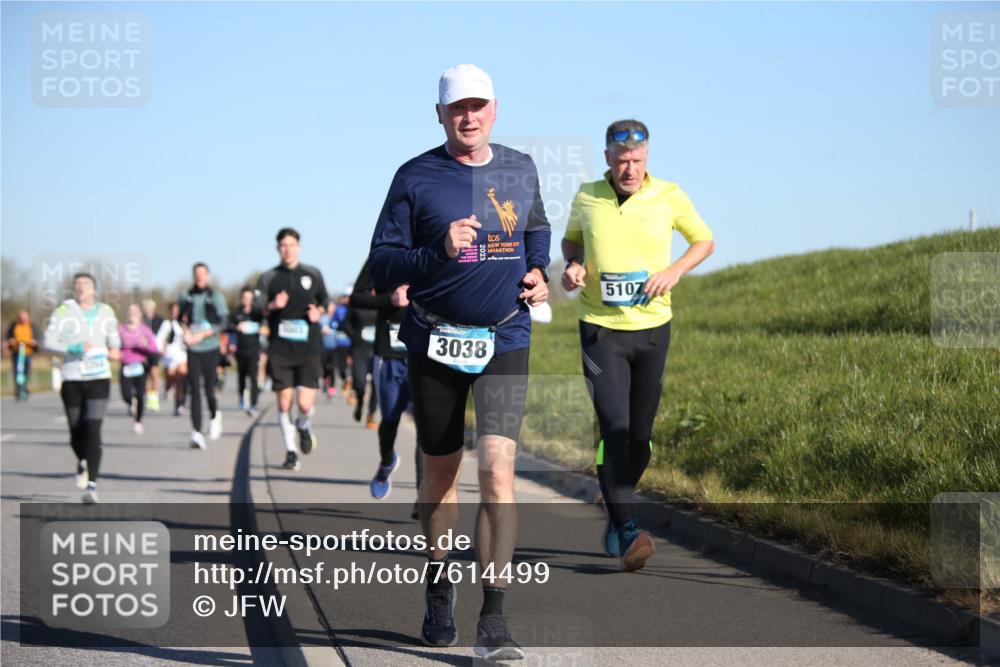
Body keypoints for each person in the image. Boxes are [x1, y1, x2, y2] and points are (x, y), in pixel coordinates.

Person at [369, 64, 550, 660]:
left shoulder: (519, 168)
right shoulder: (415, 176)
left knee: (498, 471)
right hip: (435, 340)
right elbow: (384, 263)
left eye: (477, 106)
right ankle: (439, 581)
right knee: (441, 473)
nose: (467, 116)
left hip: (504, 336)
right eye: (456, 108)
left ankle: (494, 617)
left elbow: (538, 229)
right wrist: (436, 250)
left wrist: (537, 270)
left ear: (494, 109)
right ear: (440, 114)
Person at [562, 119, 715, 571]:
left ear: (647, 158)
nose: (630, 169)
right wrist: (573, 265)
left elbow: (704, 241)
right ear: (607, 157)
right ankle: (629, 528)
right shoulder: (588, 195)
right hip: (600, 329)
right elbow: (572, 240)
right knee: (616, 428)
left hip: (652, 329)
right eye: (623, 160)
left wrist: (674, 271)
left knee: (642, 440)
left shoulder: (669, 194)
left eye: (638, 161)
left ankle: (614, 503)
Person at [43, 272, 121, 503]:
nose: (80, 288)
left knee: (93, 429)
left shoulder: (106, 312)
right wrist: (75, 346)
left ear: (94, 290)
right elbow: (49, 342)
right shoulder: (63, 311)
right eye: (77, 285)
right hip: (72, 377)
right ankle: (82, 461)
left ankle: (92, 486)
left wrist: (115, 349)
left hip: (98, 377)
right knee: (75, 431)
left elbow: (114, 340)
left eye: (85, 284)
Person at [255, 228, 328, 471]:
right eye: (283, 245)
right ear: (278, 249)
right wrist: (272, 305)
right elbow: (255, 310)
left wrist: (319, 312)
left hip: (309, 348)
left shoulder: (313, 274)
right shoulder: (269, 278)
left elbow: (326, 303)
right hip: (280, 349)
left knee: (305, 405)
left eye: (291, 245)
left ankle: (304, 425)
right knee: (284, 403)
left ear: (299, 247)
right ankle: (290, 451)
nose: (287, 249)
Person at [350, 258, 423, 501]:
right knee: (389, 419)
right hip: (389, 354)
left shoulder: (436, 247)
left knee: (426, 428)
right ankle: (387, 461)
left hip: (424, 354)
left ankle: (423, 495)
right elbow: (357, 297)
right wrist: (389, 299)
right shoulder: (382, 254)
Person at [179, 263, 229, 449]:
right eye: (197, 274)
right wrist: (186, 333)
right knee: (194, 388)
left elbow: (223, 322)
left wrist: (203, 334)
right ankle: (197, 432)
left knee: (209, 388)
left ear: (208, 276)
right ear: (193, 276)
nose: (200, 277)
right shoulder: (186, 296)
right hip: (193, 349)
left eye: (203, 274)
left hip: (211, 347)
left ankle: (215, 415)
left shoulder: (215, 297)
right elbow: (181, 318)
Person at [118, 304, 159, 434]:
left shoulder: (145, 330)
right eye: (130, 311)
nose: (132, 314)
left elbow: (154, 348)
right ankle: (130, 402)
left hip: (140, 366)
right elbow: (113, 344)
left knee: (140, 394)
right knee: (126, 394)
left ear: (140, 315)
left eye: (135, 311)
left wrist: (146, 344)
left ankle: (138, 421)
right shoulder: (121, 330)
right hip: (125, 365)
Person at [229, 287, 264, 416]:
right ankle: (242, 398)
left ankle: (253, 404)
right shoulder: (236, 313)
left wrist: (262, 328)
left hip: (254, 348)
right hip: (240, 349)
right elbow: (229, 327)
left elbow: (265, 325)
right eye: (245, 297)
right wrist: (235, 330)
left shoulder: (257, 312)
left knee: (253, 377)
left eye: (249, 298)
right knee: (242, 376)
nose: (247, 300)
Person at [345, 291, 379, 428]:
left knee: (377, 384)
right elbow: (346, 324)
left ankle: (371, 415)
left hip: (377, 351)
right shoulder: (356, 305)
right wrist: (354, 336)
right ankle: (359, 404)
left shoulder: (382, 303)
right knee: (359, 384)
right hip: (359, 351)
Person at [157, 302, 188, 416]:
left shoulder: (185, 323)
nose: (176, 312)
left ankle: (179, 404)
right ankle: (167, 389)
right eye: (174, 310)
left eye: (178, 310)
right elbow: (159, 339)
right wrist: (161, 349)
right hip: (170, 355)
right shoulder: (167, 324)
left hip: (182, 354)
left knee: (181, 378)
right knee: (171, 378)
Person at [6, 309, 40, 400]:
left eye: (25, 317)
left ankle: (24, 389)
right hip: (17, 352)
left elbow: (37, 338)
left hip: (27, 352)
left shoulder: (32, 326)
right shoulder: (14, 325)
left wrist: (34, 342)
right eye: (21, 317)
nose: (23, 319)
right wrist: (10, 341)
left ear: (28, 317)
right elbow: (8, 337)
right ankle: (18, 390)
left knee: (26, 372)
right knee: (17, 372)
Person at [141, 298, 164, 412]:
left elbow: (164, 335)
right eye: (146, 307)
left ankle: (155, 397)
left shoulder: (159, 320)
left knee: (154, 373)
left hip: (155, 351)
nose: (147, 309)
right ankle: (150, 398)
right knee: (146, 376)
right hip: (143, 351)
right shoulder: (141, 320)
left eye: (149, 307)